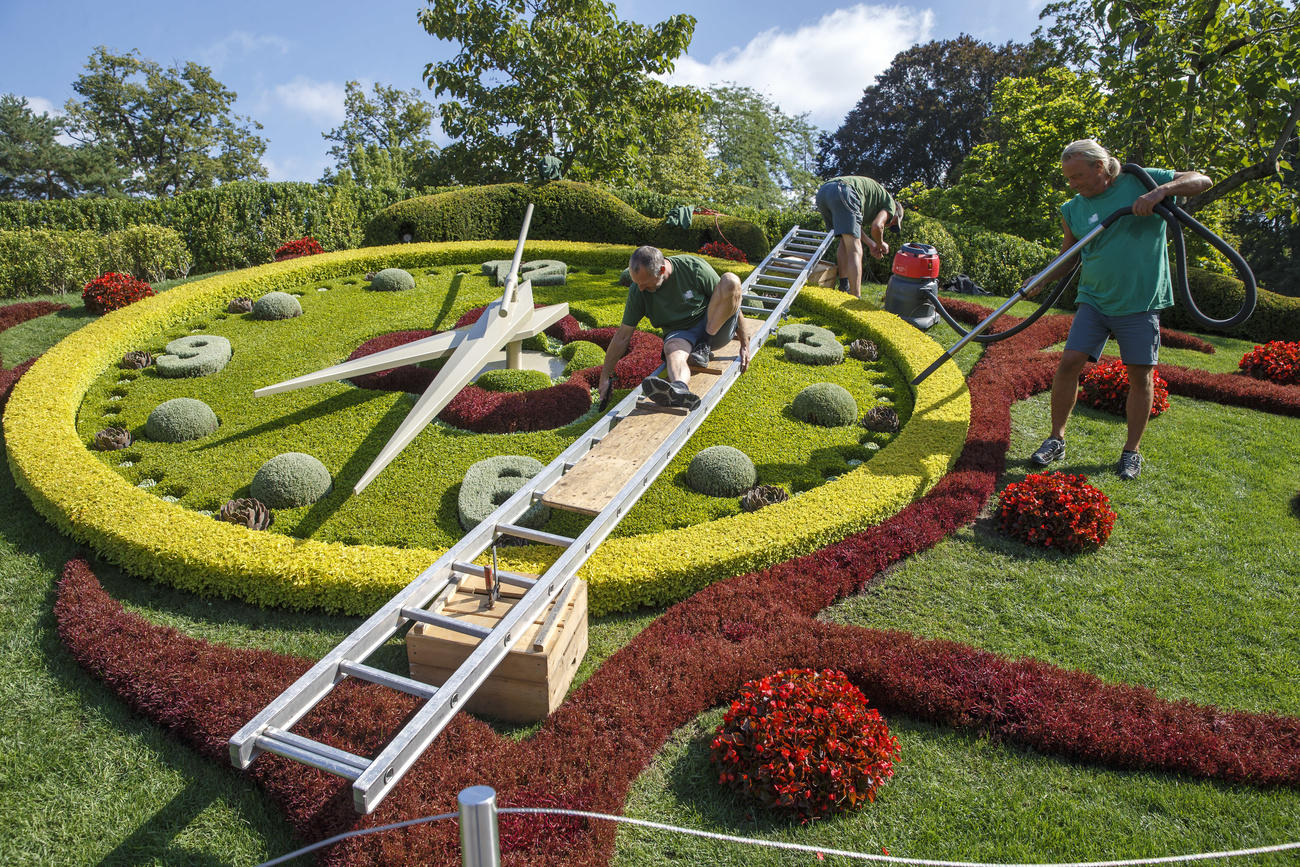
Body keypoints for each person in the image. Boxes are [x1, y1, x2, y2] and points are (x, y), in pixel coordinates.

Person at [1028, 139, 1211, 480]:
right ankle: (1056, 439)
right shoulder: (1073, 208)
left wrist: (1159, 193)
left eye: (1077, 176)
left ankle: (1131, 451)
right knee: (1069, 363)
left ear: (1100, 167)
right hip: (1094, 298)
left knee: (1140, 375)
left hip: (1140, 301)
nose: (1072, 184)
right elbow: (1069, 257)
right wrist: (1040, 278)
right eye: (1068, 178)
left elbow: (1202, 180)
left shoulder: (1141, 180)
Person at [597, 246, 750, 410]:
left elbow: (732, 301)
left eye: (646, 284)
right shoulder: (638, 290)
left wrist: (745, 344)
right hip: (681, 333)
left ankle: (704, 345)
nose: (641, 289)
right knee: (672, 349)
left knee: (730, 280)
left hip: (715, 327)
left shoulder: (693, 268)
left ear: (662, 269)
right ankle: (679, 389)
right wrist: (605, 376)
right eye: (637, 283)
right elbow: (622, 336)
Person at [814, 175, 904, 298]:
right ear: (896, 210)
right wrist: (880, 243)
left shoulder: (874, 201)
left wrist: (872, 244)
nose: (889, 224)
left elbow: (854, 229)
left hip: (824, 193)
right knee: (855, 250)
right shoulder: (891, 205)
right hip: (844, 190)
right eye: (893, 222)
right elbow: (877, 227)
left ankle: (844, 287)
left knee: (845, 241)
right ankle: (856, 297)